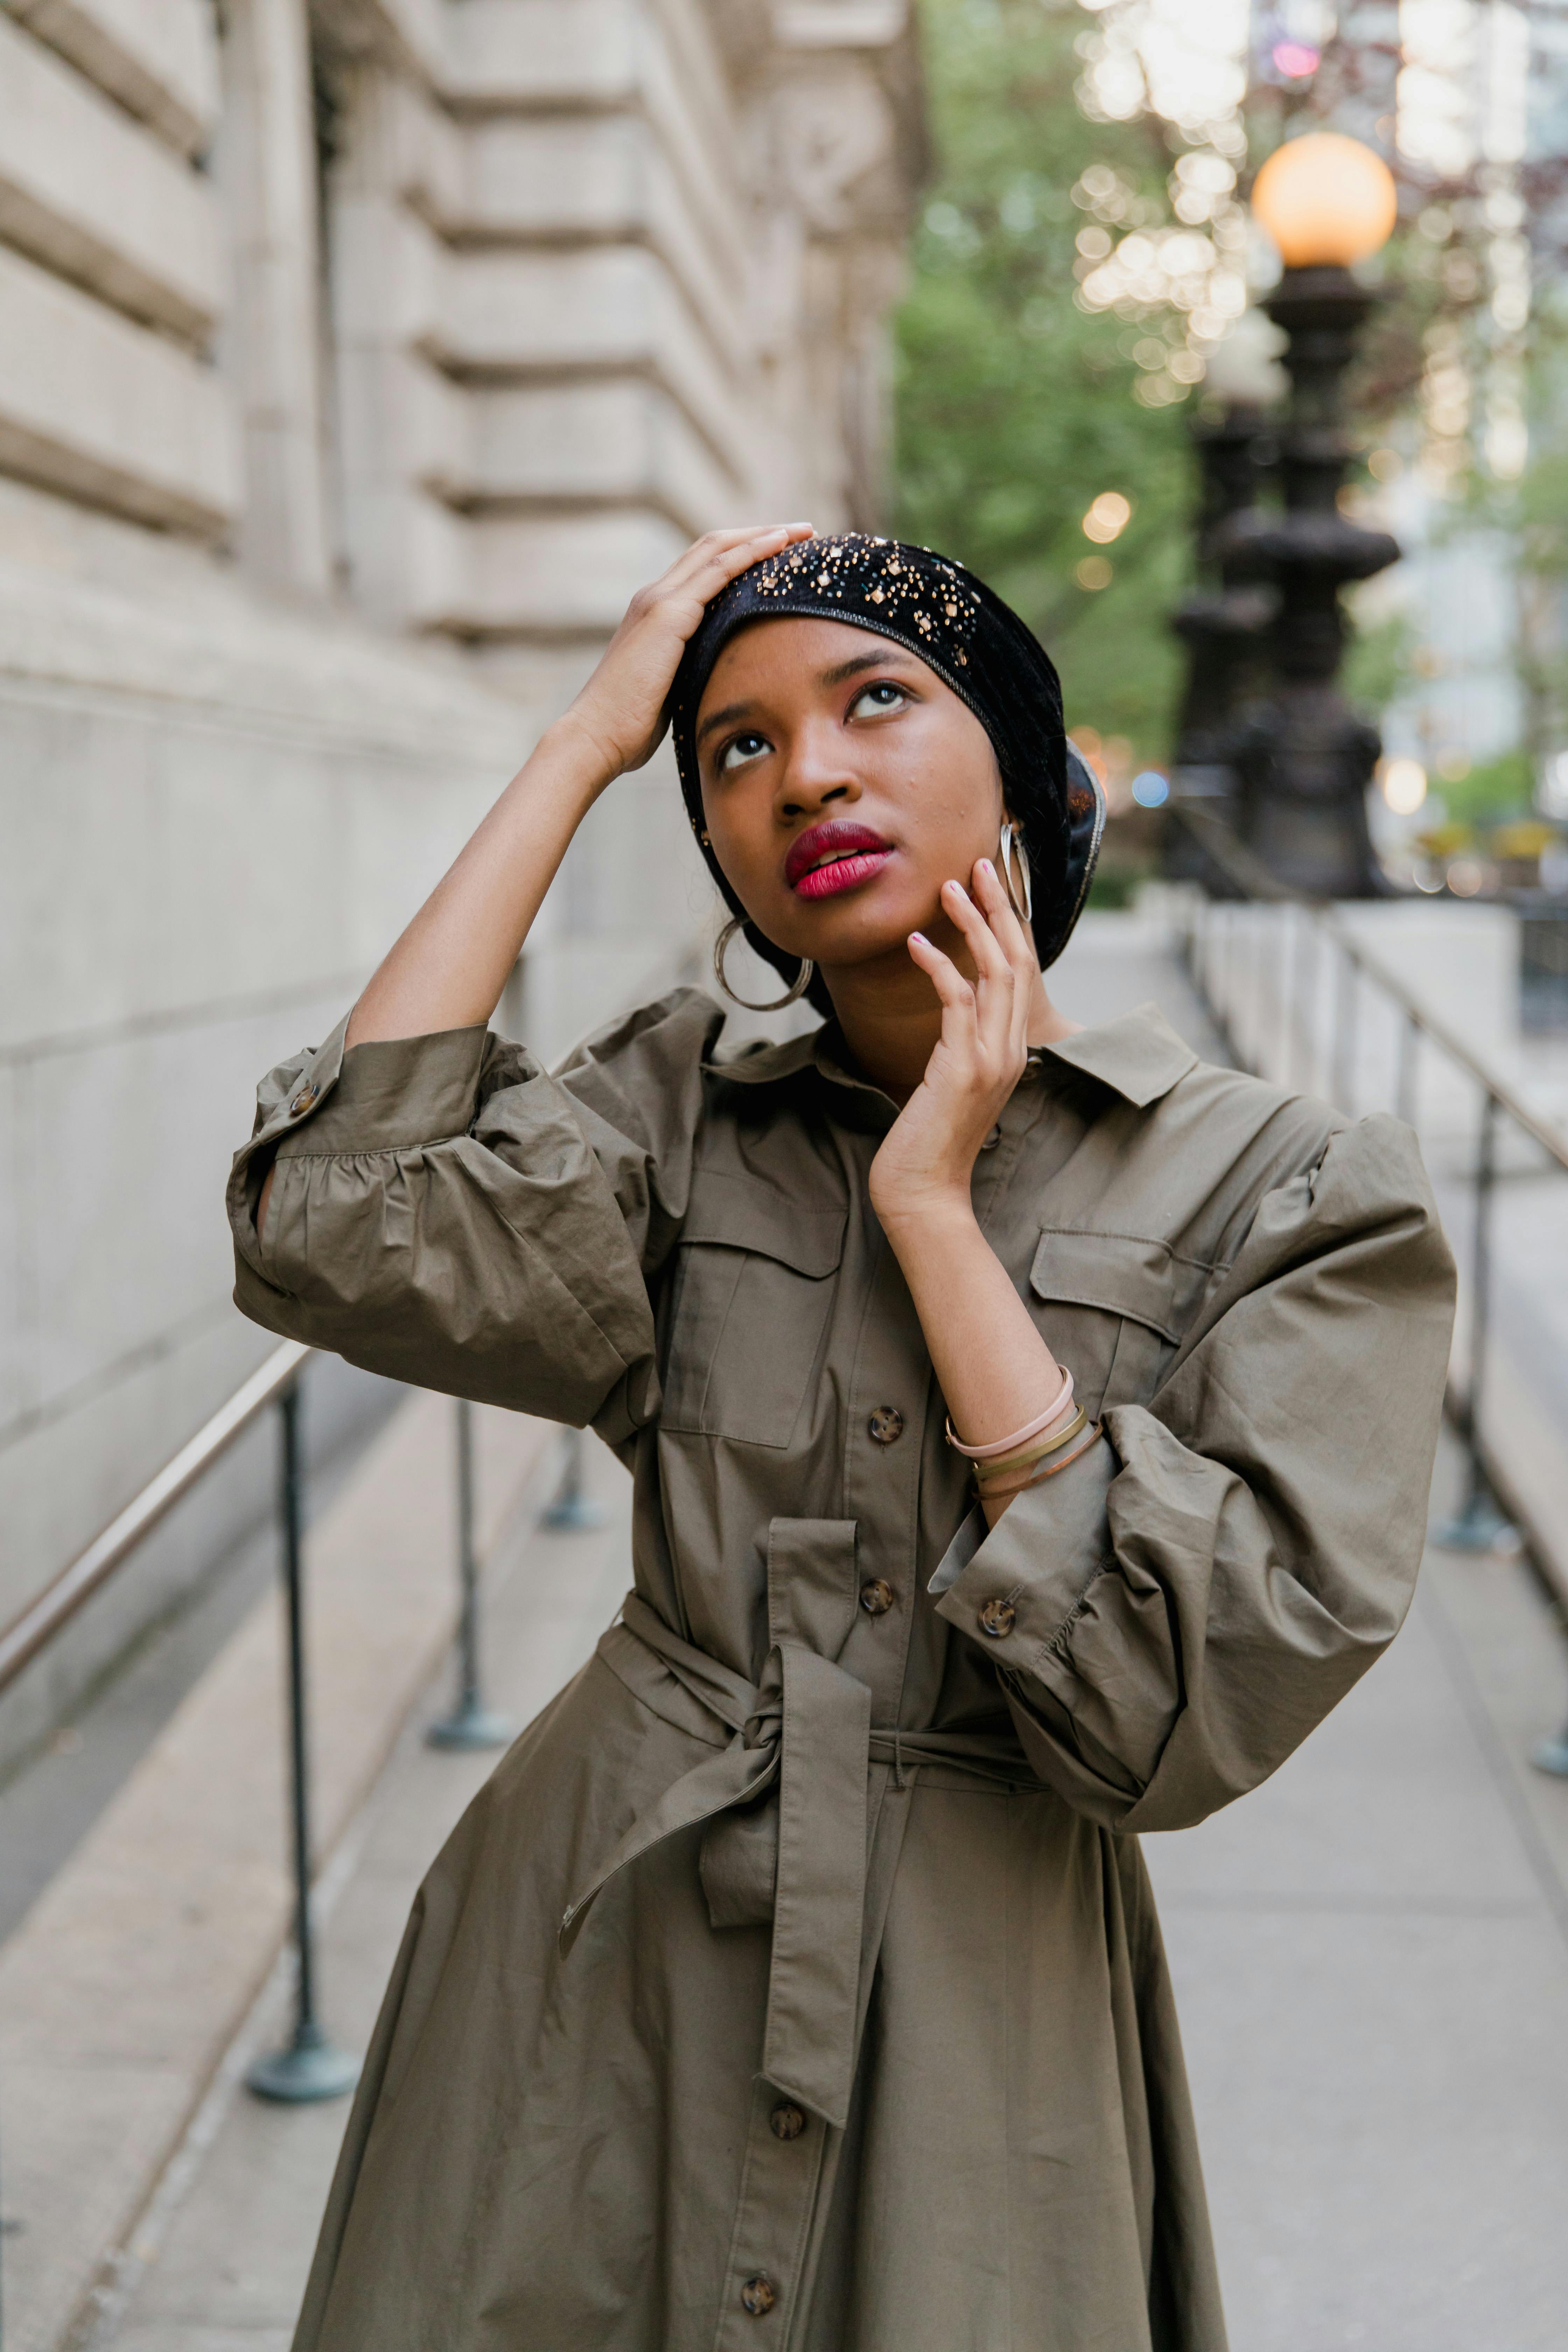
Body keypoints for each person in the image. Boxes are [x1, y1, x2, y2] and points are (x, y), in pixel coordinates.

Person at [229, 526, 1455, 2352]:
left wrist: (938, 1219)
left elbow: (1176, 1713)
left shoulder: (1290, 1193)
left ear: (1032, 774)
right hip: (594, 1973)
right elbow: (327, 1219)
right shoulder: (671, 1117)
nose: (807, 770)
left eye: (875, 698)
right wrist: (580, 746)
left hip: (981, 2018)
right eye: (732, 747)